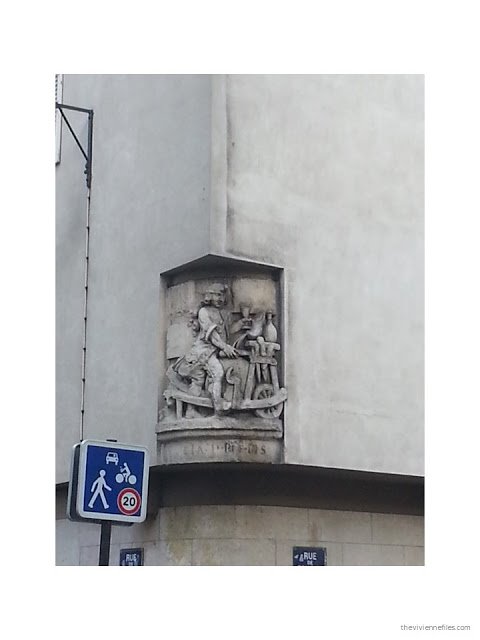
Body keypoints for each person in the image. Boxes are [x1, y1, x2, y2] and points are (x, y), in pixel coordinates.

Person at [172, 283, 239, 415]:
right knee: (217, 373)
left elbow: (226, 332)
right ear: (209, 296)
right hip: (204, 351)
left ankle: (191, 411)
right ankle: (218, 406)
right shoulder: (204, 312)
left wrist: (240, 325)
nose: (221, 299)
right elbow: (212, 335)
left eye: (222, 296)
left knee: (198, 381)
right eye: (217, 295)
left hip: (214, 351)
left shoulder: (221, 313)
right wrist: (225, 347)